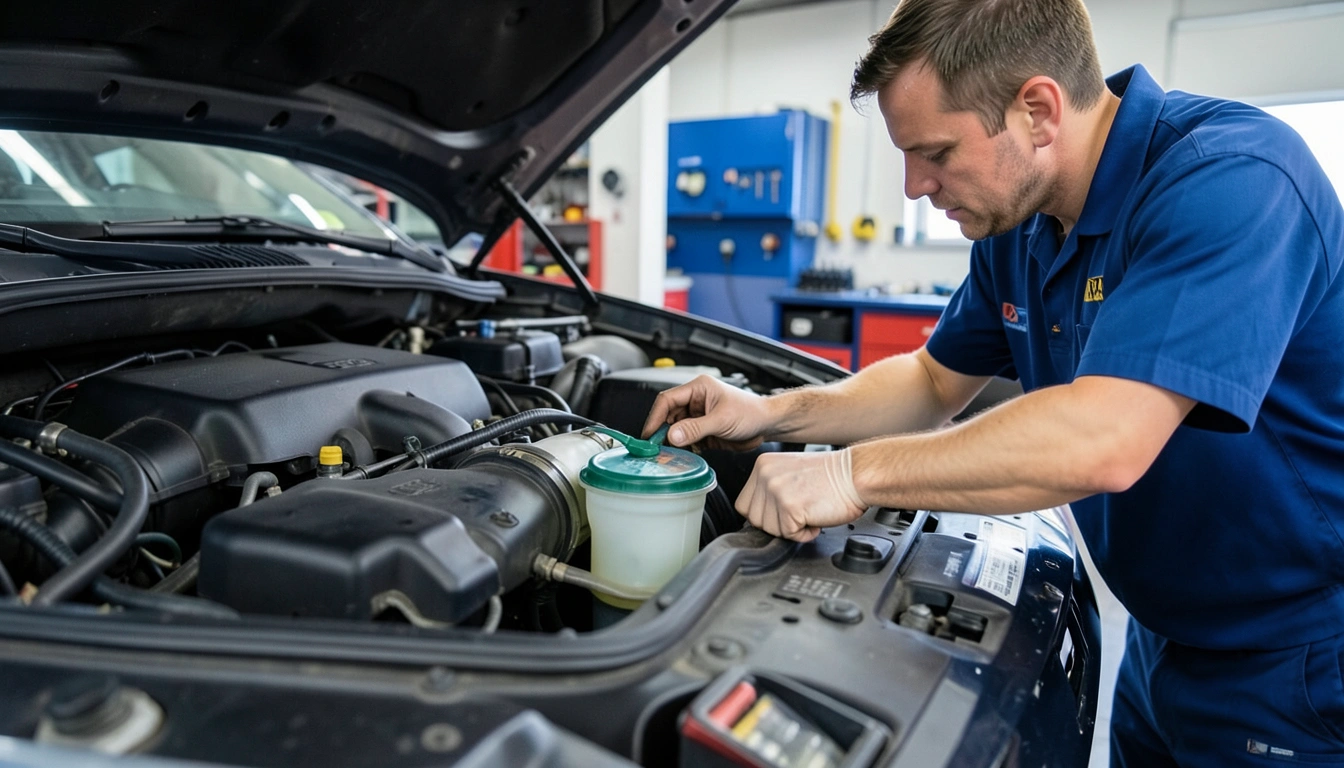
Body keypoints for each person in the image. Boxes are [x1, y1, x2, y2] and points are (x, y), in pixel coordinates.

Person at [642, 0, 1344, 765]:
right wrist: (773, 412)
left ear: (1037, 110)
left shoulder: (1233, 179)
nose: (913, 186)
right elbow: (931, 379)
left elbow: (1103, 439)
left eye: (935, 151)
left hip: (1300, 657)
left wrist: (850, 474)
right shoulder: (1023, 226)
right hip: (1163, 634)